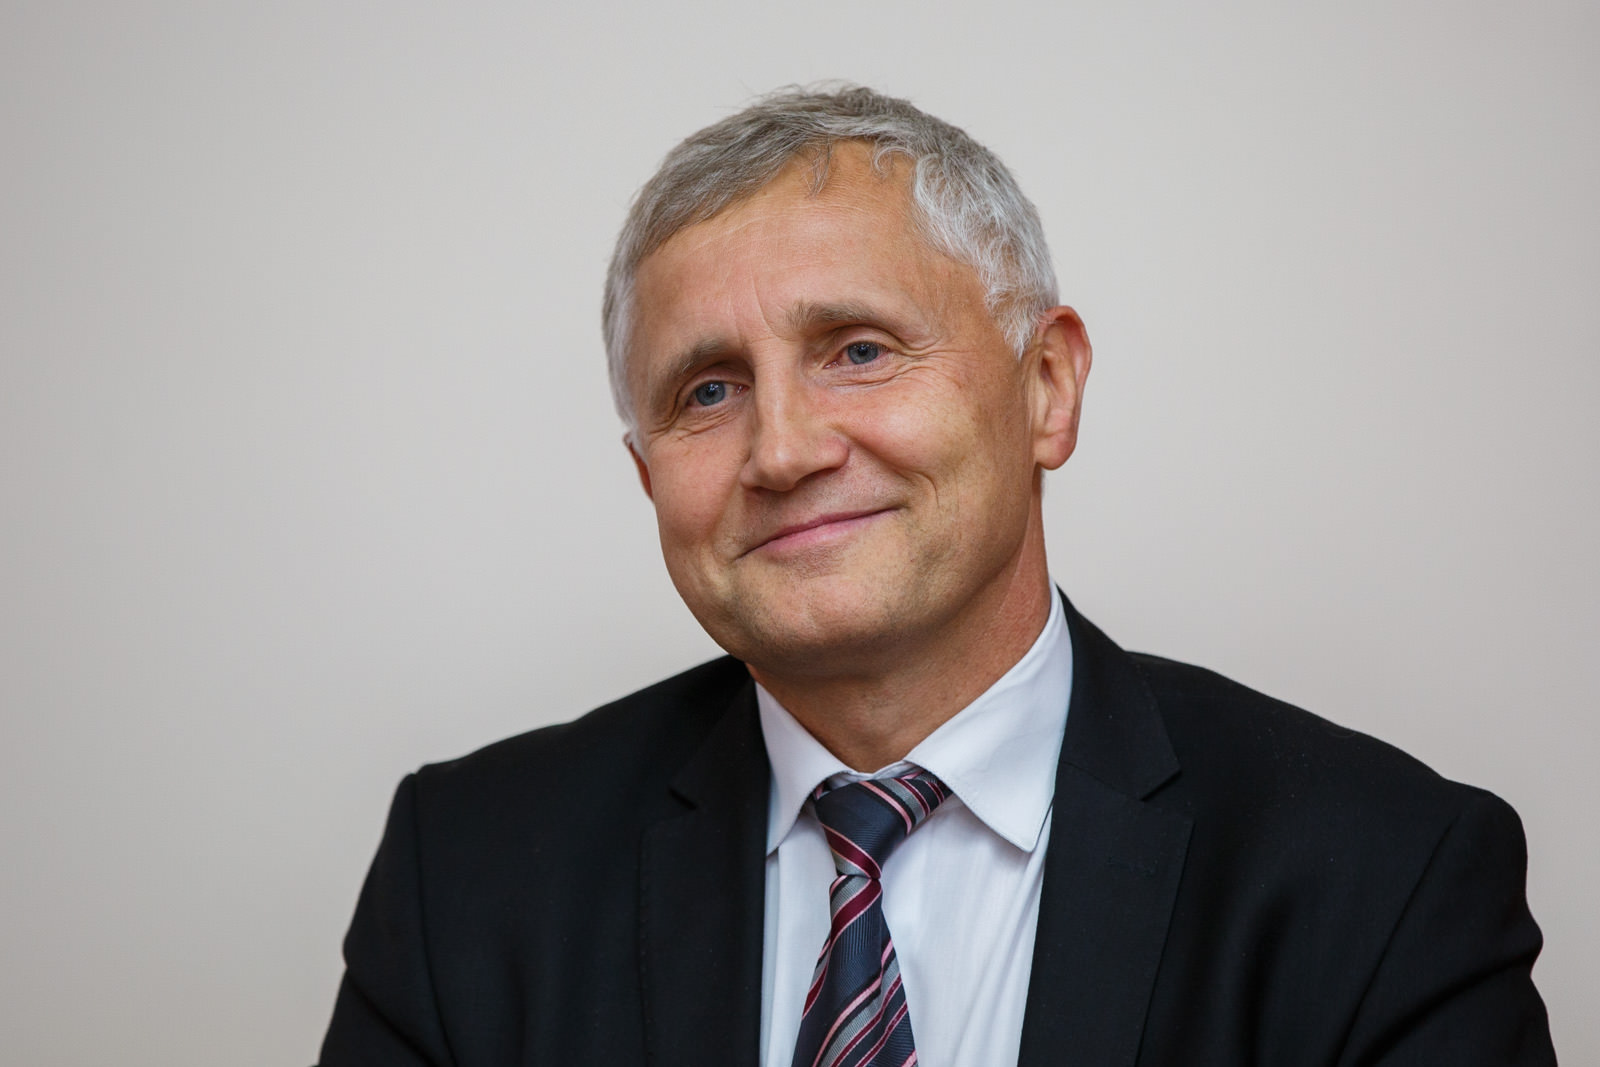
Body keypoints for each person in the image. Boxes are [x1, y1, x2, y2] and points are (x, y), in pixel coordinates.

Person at [318, 85, 1555, 1066]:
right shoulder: (467, 873)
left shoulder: (1383, 875)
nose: (783, 450)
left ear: (1046, 389)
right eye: (709, 389)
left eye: (858, 350)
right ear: (648, 478)